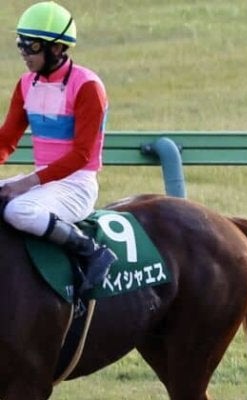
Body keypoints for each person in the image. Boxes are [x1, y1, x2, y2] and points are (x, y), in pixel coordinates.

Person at [0, 1, 116, 296]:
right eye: (20, 44)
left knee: (18, 211)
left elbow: (82, 155)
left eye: (32, 45)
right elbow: (6, 140)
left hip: (77, 185)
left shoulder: (87, 86)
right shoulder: (26, 84)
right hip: (44, 182)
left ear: (57, 48)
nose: (24, 52)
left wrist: (25, 184)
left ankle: (91, 251)